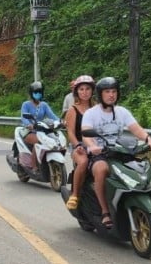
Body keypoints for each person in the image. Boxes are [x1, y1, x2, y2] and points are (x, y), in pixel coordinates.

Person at [81, 77, 151, 229]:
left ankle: (133, 201)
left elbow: (136, 129)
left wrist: (149, 140)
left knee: (139, 166)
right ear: (100, 94)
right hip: (99, 153)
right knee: (101, 169)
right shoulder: (91, 113)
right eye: (107, 92)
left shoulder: (122, 112)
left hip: (118, 151)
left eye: (114, 91)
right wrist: (92, 146)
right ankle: (105, 212)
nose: (111, 95)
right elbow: (85, 134)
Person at [63, 75, 95, 210]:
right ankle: (75, 194)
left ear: (92, 91)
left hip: (97, 145)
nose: (85, 92)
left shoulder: (98, 108)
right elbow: (70, 132)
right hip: (79, 146)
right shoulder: (73, 110)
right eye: (81, 89)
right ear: (76, 92)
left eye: (87, 89)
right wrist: (77, 145)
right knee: (83, 162)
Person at [19, 81, 59, 171]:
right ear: (31, 93)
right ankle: (34, 166)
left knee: (53, 142)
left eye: (40, 92)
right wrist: (29, 124)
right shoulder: (26, 104)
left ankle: (45, 162)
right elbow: (23, 117)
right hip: (29, 131)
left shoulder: (44, 105)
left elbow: (52, 116)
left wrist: (60, 121)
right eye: (36, 92)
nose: (38, 94)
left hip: (41, 130)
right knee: (39, 142)